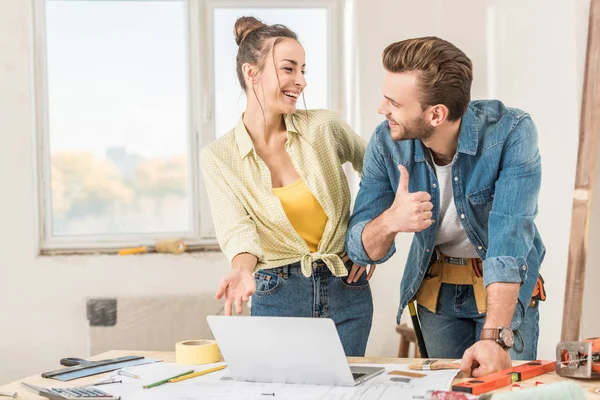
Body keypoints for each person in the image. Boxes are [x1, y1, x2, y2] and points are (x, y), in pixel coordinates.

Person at [345, 36, 546, 374]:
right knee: (446, 391)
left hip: (501, 289)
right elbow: (360, 248)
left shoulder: (511, 132)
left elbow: (510, 238)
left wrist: (495, 337)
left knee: (504, 390)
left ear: (436, 114)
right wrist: (391, 221)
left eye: (393, 102)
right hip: (436, 293)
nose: (383, 109)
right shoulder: (386, 142)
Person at [201, 16, 375, 356]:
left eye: (303, 70)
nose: (301, 81)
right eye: (289, 69)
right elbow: (237, 230)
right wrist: (241, 270)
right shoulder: (219, 156)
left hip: (347, 288)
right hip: (277, 292)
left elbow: (378, 172)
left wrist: (367, 238)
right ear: (251, 73)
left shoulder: (323, 127)